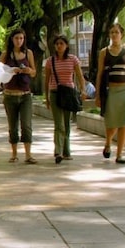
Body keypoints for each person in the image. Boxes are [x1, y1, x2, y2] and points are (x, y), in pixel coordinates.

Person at [43, 35, 86, 164]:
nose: (59, 46)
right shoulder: (51, 61)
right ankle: (58, 151)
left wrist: (83, 90)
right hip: (55, 92)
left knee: (67, 123)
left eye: (61, 43)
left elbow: (79, 76)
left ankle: (66, 151)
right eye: (57, 44)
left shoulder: (73, 59)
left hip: (68, 93)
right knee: (59, 124)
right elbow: (46, 80)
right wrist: (47, 97)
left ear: (66, 45)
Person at [95, 23, 125, 164]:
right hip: (111, 90)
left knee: (123, 122)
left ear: (121, 34)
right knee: (111, 123)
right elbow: (100, 74)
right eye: (112, 32)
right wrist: (98, 95)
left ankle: (119, 155)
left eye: (116, 32)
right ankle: (108, 142)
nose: (114, 35)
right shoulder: (104, 52)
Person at [0, 27, 37, 164]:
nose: (19, 41)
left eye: (21, 38)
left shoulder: (29, 53)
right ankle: (14, 154)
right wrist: (11, 71)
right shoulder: (5, 54)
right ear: (11, 39)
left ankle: (28, 154)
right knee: (13, 126)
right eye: (16, 38)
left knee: (26, 125)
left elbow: (34, 72)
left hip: (25, 95)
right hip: (10, 95)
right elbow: (0, 74)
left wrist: (28, 70)